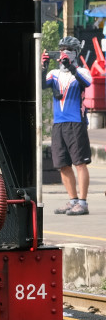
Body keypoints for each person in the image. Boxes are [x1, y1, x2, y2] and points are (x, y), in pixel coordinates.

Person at [44, 36, 94, 215]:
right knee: (62, 164)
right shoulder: (54, 74)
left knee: (80, 162)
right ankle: (72, 199)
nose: (63, 53)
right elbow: (42, 84)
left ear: (75, 53)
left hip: (76, 122)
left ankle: (83, 202)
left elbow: (86, 82)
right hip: (58, 123)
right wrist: (43, 67)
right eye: (61, 49)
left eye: (68, 50)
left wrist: (72, 67)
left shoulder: (81, 71)